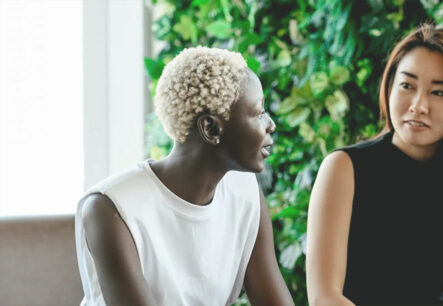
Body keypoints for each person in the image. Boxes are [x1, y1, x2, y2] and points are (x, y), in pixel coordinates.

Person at [75, 47, 294, 306]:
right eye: (258, 113)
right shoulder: (110, 209)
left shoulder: (243, 191)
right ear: (211, 128)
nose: (271, 124)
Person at [306, 24, 443, 306]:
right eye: (407, 86)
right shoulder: (344, 169)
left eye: (439, 93)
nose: (418, 105)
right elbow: (324, 297)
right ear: (389, 87)